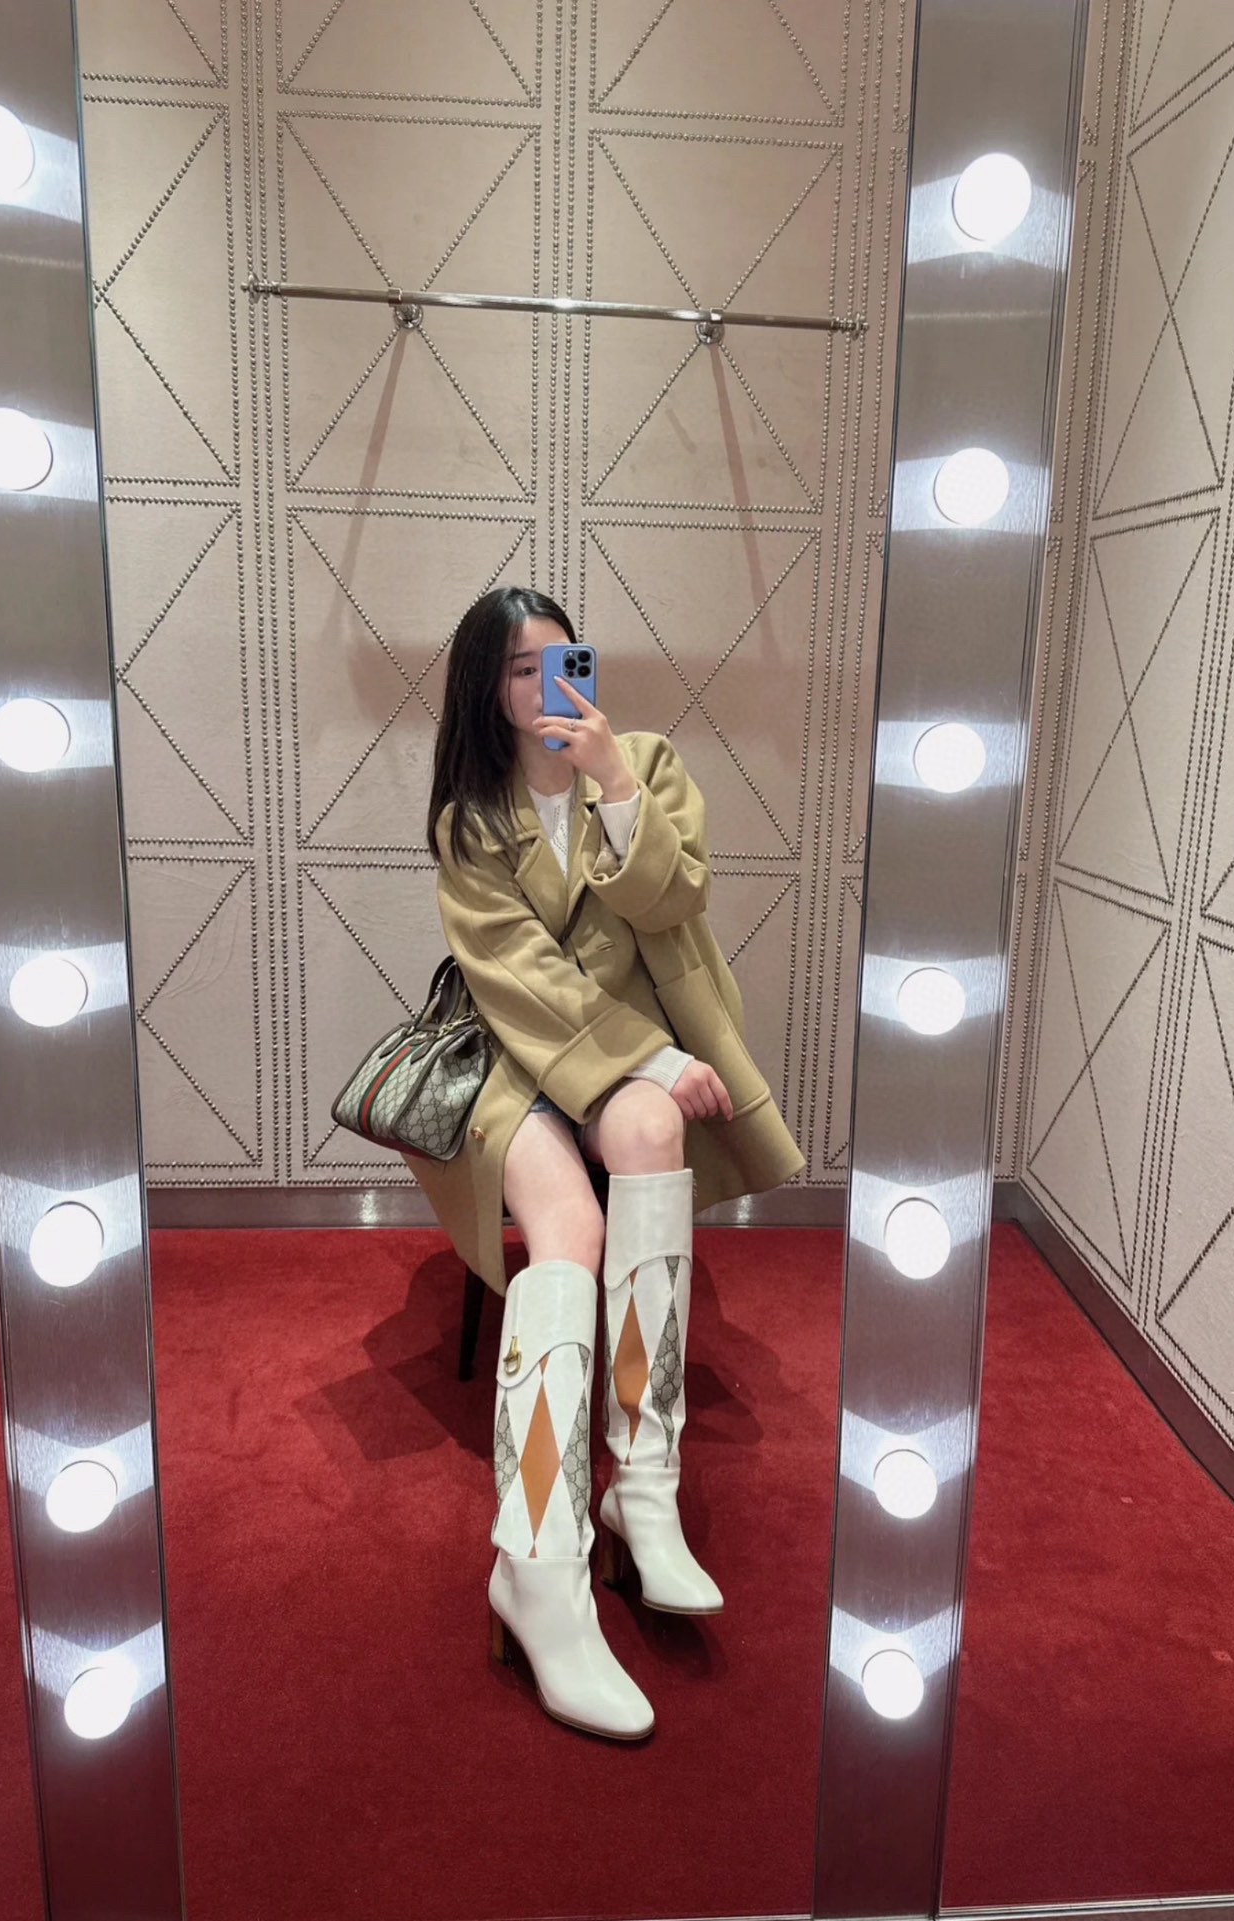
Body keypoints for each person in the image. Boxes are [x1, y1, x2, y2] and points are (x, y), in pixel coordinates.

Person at [402, 585, 805, 1742]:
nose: (543, 688)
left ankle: (642, 1483)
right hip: (511, 1053)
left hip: (620, 1046)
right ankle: (534, 1560)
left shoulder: (646, 763)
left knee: (650, 1134)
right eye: (516, 669)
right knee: (570, 1233)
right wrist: (651, 1055)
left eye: (558, 661)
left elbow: (674, 898)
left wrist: (612, 782)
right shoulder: (470, 821)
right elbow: (519, 980)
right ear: (486, 689)